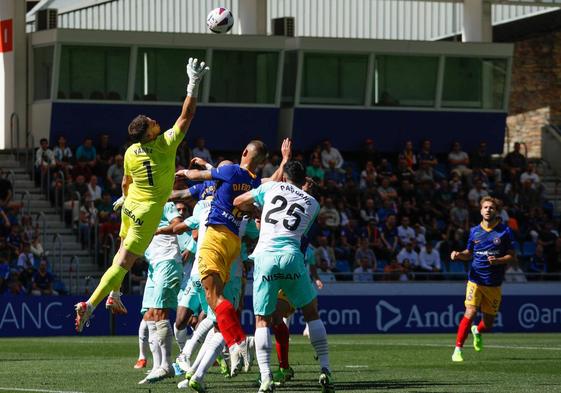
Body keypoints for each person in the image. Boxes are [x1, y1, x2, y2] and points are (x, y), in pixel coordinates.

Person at [74, 57, 210, 332]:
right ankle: (90, 304)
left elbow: (126, 181)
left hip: (130, 205)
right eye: (151, 122)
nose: (155, 121)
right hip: (147, 212)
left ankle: (114, 294)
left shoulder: (130, 151)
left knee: (121, 253)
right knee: (124, 263)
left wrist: (124, 197)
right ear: (149, 134)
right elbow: (187, 116)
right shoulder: (165, 144)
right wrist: (193, 84)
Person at [175, 138, 292, 378]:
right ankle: (232, 343)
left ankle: (237, 341)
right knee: (217, 304)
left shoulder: (230, 171)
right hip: (234, 243)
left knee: (212, 298)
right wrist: (285, 161)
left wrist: (184, 171)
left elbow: (198, 178)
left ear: (245, 151)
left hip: (216, 236)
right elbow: (275, 179)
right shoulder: (252, 182)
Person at [234, 160, 334, 393]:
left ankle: (266, 377)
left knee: (262, 320)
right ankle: (326, 369)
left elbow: (238, 202)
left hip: (266, 257)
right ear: (303, 180)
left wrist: (258, 210)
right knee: (311, 313)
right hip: (291, 256)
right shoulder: (314, 204)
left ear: (285, 176)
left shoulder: (272, 187)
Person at [450, 196, 516, 362]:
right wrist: (458, 255)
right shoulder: (474, 231)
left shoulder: (504, 231)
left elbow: (512, 256)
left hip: (493, 284)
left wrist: (499, 261)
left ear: (496, 211)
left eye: (491, 208)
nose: (488, 210)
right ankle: (458, 349)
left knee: (488, 324)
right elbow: (469, 253)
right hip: (475, 280)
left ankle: (477, 331)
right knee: (470, 312)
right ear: (481, 210)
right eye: (485, 207)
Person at [137, 201, 185, 384]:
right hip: (154, 266)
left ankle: (167, 365)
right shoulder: (138, 207)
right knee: (149, 316)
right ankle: (157, 366)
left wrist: (159, 231)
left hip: (168, 261)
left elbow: (178, 225)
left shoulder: (165, 203)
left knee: (160, 312)